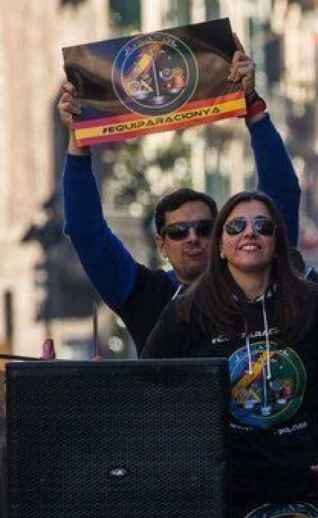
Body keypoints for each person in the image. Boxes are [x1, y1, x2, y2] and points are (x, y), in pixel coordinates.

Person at [142, 192, 318, 518]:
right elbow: (147, 389)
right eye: (235, 227)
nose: (250, 234)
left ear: (277, 243)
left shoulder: (313, 303)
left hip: (302, 488)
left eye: (262, 226)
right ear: (220, 245)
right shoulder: (187, 312)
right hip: (221, 497)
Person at [58, 44, 302, 352]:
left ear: (221, 236)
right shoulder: (144, 294)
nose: (192, 238)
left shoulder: (258, 273)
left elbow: (282, 194)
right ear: (161, 244)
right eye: (178, 232)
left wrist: (253, 107)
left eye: (204, 229)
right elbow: (85, 231)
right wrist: (79, 145)